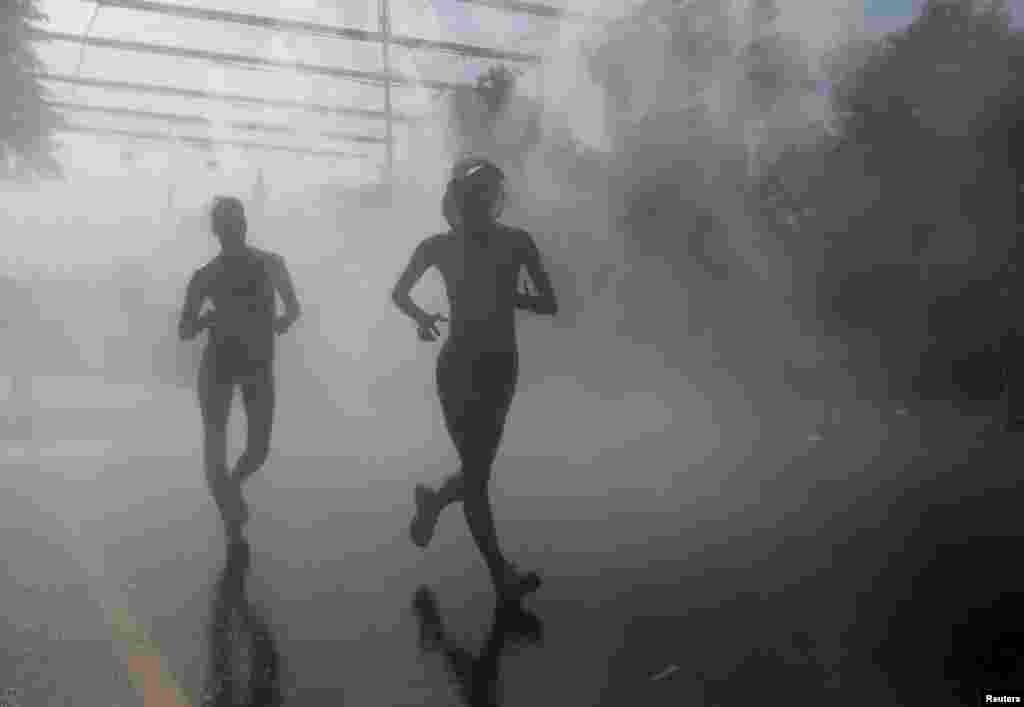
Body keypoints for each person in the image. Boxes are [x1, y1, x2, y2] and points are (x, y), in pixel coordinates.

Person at [391, 157, 558, 602]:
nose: (480, 204)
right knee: (479, 476)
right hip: (463, 365)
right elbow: (400, 293)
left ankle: (433, 503)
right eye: (474, 197)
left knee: (477, 470)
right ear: (463, 202)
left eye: (485, 196)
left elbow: (549, 303)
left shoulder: (513, 243)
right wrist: (423, 317)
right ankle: (501, 576)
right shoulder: (442, 247)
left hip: (498, 366)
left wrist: (510, 295)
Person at [178, 196, 301, 539]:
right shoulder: (206, 276)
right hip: (218, 364)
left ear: (244, 226)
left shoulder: (271, 264)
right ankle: (229, 505)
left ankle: (231, 486)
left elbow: (293, 308)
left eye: (237, 223)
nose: (234, 230)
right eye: (227, 225)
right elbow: (185, 330)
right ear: (217, 231)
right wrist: (207, 319)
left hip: (257, 364)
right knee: (215, 444)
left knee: (259, 447)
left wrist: (281, 323)